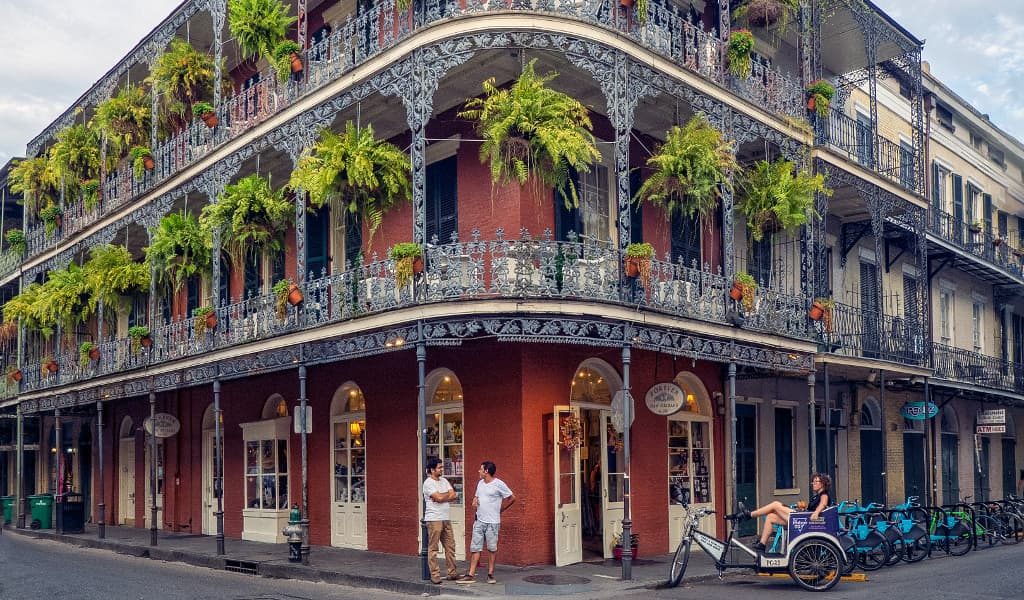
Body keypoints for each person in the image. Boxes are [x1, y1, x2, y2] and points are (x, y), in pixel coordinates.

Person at [740, 473, 832, 552]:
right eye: (813, 481)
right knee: (770, 517)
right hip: (803, 518)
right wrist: (803, 509)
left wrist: (816, 513)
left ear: (823, 484)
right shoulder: (816, 496)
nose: (813, 483)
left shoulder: (824, 494)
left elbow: (823, 504)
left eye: (816, 481)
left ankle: (750, 515)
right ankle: (762, 545)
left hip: (804, 521)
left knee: (775, 504)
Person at [457, 461, 515, 585]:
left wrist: (501, 509)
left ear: (486, 471)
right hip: (479, 520)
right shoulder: (480, 483)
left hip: (493, 522)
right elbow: (476, 497)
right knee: (475, 548)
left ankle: (490, 574)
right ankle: (470, 574)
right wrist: (474, 501)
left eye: (481, 469)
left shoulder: (499, 484)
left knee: (491, 548)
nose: (479, 471)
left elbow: (512, 497)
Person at [422, 457, 459, 585]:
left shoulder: (444, 480)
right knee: (433, 548)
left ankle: (452, 573)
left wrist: (442, 497)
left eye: (442, 467)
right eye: (439, 467)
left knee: (450, 546)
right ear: (432, 470)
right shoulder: (428, 483)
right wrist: (443, 496)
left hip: (445, 517)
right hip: (434, 518)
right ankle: (435, 575)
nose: (442, 469)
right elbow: (437, 498)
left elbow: (453, 495)